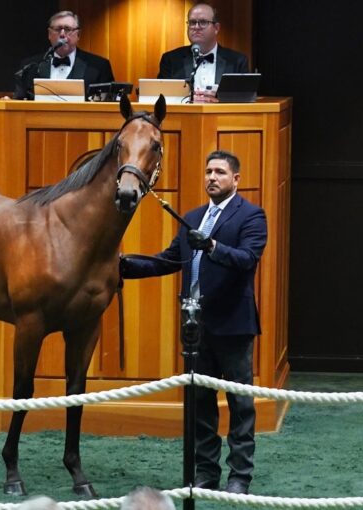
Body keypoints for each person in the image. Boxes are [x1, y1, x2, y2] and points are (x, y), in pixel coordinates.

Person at [120, 150, 267, 495]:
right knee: (201, 406)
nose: (212, 177)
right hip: (196, 326)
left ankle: (239, 478)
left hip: (233, 325)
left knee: (240, 405)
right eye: (208, 172)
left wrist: (213, 246)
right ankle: (206, 474)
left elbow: (247, 259)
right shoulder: (194, 217)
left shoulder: (251, 216)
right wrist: (124, 266)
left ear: (235, 179)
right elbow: (170, 260)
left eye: (219, 172)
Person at [157, 2, 249, 103]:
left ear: (216, 28)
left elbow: (245, 98)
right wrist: (188, 99)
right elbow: (160, 97)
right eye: (192, 22)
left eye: (203, 22)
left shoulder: (237, 61)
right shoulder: (171, 59)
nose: (196, 27)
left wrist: (220, 97)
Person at [13, 10, 114, 100]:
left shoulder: (99, 66)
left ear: (78, 35)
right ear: (49, 34)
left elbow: (109, 104)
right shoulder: (30, 66)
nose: (62, 34)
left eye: (67, 29)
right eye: (58, 29)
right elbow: (20, 99)